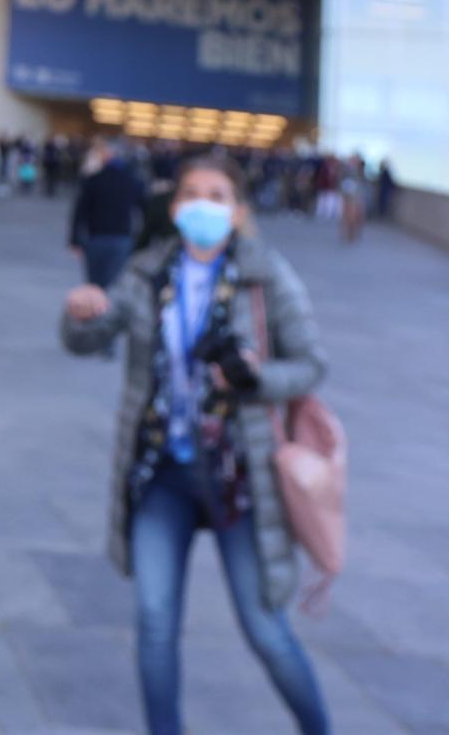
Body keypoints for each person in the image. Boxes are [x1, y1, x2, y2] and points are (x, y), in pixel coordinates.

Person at [59, 154, 331, 735]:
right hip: (163, 473)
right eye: (192, 194)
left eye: (218, 194)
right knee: (154, 622)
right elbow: (91, 337)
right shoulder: (149, 271)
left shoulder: (266, 274)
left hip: (243, 476)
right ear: (176, 206)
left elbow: (310, 363)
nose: (204, 204)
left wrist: (257, 378)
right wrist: (81, 314)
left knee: (266, 630)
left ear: (237, 210)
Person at [68, 139, 143, 289]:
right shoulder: (132, 179)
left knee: (94, 284)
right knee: (114, 284)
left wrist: (74, 240)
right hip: (121, 238)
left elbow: (79, 212)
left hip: (96, 238)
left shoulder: (93, 179)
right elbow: (145, 208)